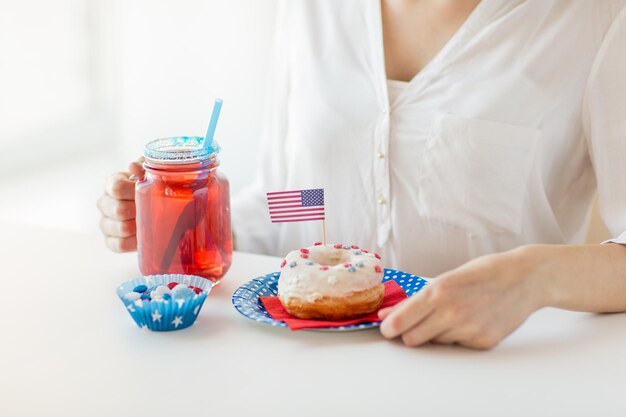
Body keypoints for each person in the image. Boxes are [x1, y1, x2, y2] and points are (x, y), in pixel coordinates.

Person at [97, 0, 626, 349]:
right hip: (306, 372)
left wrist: (535, 276)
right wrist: (197, 226)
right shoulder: (314, 10)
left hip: (492, 377)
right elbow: (298, 197)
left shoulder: (593, 18)